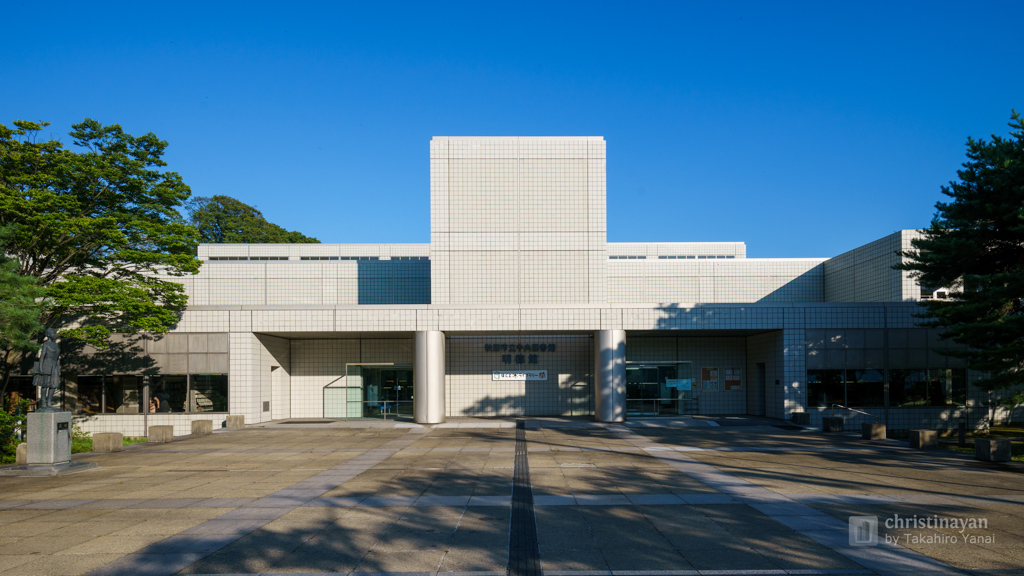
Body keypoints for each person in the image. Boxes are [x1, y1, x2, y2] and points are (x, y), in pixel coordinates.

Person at [32, 328, 61, 412]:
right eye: (53, 333)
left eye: (55, 333)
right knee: (45, 384)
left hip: (54, 366)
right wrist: (40, 367)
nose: (55, 335)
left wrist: (58, 368)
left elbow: (58, 358)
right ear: (48, 334)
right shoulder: (46, 344)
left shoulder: (56, 345)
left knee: (53, 385)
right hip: (46, 365)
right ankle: (43, 403)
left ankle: (49, 403)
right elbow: (42, 357)